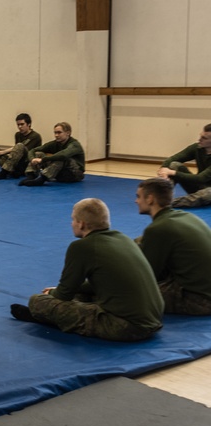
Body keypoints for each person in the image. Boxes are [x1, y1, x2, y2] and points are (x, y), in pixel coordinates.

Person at [11, 198, 164, 341]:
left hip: (127, 327)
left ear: (82, 224)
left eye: (73, 220)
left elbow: (64, 294)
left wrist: (52, 293)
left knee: (37, 301)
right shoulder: (122, 238)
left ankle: (50, 318)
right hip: (154, 318)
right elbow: (103, 283)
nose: (71, 223)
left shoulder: (81, 247)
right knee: (81, 293)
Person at [136, 178, 211, 315]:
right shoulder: (186, 217)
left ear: (150, 199)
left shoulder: (158, 229)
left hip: (199, 300)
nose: (136, 201)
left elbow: (147, 275)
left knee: (126, 293)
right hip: (204, 290)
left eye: (139, 197)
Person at [157, 124, 211, 208]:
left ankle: (168, 203)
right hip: (200, 187)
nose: (199, 139)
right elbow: (172, 159)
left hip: (208, 191)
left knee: (208, 192)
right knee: (174, 164)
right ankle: (163, 196)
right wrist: (164, 169)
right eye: (201, 136)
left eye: (204, 138)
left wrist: (173, 173)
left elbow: (201, 178)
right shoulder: (197, 148)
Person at [19, 122, 85, 186]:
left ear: (68, 133)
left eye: (59, 133)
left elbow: (63, 155)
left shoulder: (74, 145)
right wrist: (32, 159)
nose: (56, 135)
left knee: (61, 158)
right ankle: (31, 176)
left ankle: (42, 179)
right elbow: (33, 150)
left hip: (74, 174)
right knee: (38, 154)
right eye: (55, 133)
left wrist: (42, 160)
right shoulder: (55, 143)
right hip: (59, 173)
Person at [0, 113, 42, 180]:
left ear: (29, 124)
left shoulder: (35, 136)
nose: (19, 127)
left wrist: (1, 153)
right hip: (18, 163)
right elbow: (15, 151)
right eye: (18, 125)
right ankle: (13, 171)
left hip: (28, 163)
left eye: (22, 124)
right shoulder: (18, 135)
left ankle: (5, 172)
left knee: (19, 146)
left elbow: (21, 148)